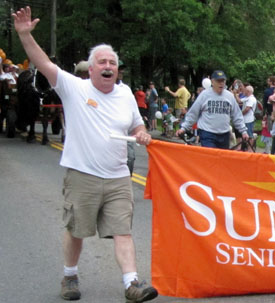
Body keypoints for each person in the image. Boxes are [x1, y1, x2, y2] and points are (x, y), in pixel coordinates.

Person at [12, 6, 158, 302]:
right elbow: (42, 63)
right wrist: (25, 35)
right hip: (83, 176)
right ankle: (70, 275)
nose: (108, 66)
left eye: (112, 63)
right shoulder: (73, 87)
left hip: (118, 176)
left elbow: (136, 124)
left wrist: (142, 133)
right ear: (90, 68)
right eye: (101, 62)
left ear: (117, 69)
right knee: (76, 230)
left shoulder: (126, 93)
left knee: (122, 231)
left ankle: (132, 283)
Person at [177, 70, 248, 149]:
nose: (221, 83)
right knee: (211, 158)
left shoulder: (229, 96)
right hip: (208, 133)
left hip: (224, 134)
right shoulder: (204, 95)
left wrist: (243, 131)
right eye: (218, 81)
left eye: (223, 81)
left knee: (221, 159)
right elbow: (193, 113)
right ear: (212, 82)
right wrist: (184, 128)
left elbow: (237, 115)